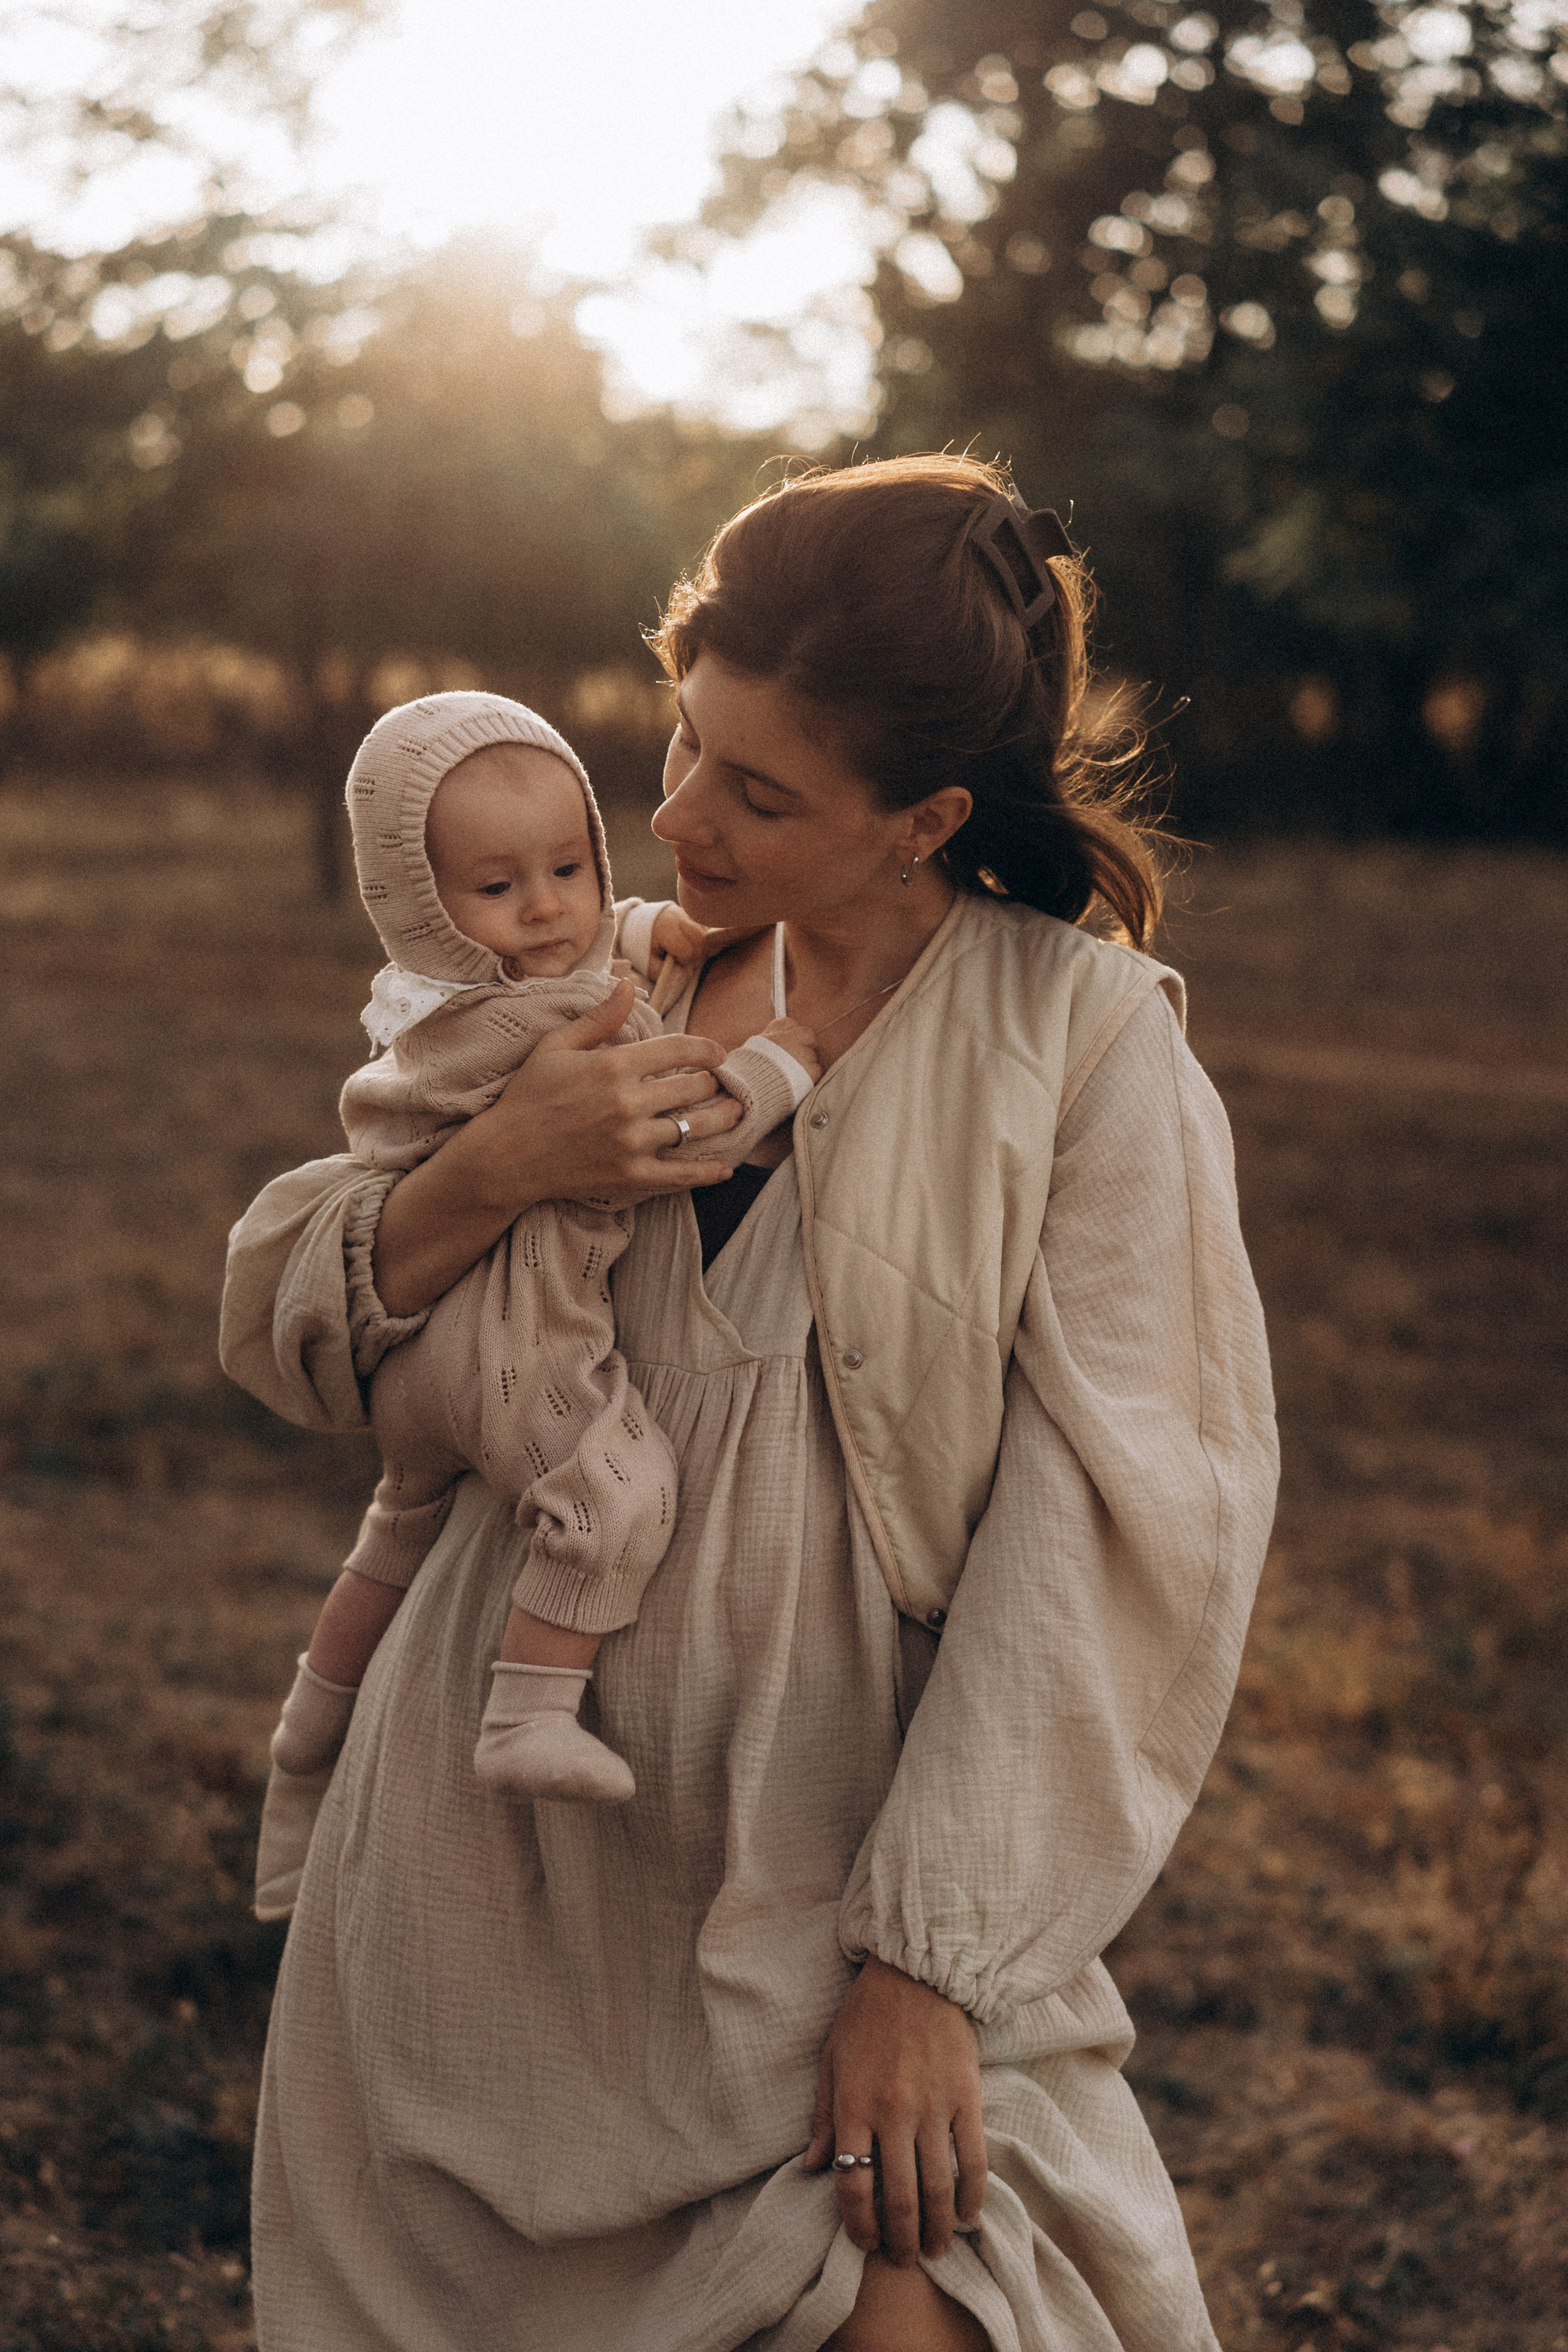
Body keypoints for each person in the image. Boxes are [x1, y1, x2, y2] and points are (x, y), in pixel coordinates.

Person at [221, 453, 1278, 2352]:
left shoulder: (1084, 1051)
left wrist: (927, 1964)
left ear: (926, 817)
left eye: (759, 791)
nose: (676, 816)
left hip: (836, 1891)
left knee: (933, 2308)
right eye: (683, 741)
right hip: (490, 1879)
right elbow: (288, 1327)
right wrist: (497, 1167)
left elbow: (1117, 1546)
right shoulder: (587, 991)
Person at [263, 690, 819, 1838]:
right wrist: (777, 1070)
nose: (547, 910)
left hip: (422, 1351)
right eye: (498, 888)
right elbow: (670, 1130)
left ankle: (309, 1729)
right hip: (509, 1335)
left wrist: (639, 929)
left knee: (400, 1522)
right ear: (421, 904)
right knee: (614, 1491)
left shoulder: (452, 995)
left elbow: (583, 950)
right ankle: (529, 1711)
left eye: (571, 869)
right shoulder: (516, 1036)